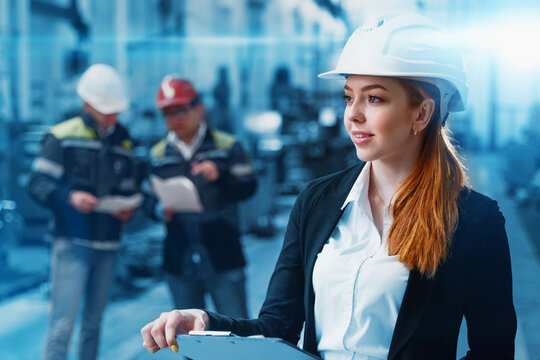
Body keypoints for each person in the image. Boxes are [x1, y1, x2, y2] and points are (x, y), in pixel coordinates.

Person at [141, 14, 516, 359]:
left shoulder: (474, 221)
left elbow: (493, 350)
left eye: (374, 98)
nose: (353, 114)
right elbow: (277, 327)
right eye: (349, 97)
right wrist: (207, 324)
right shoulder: (316, 202)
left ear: (421, 113)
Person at [29, 63, 138, 360]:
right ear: (87, 103)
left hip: (107, 242)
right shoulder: (62, 135)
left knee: (93, 324)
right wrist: (70, 196)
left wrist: (128, 208)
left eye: (115, 110)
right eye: (106, 110)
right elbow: (38, 182)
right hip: (72, 244)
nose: (111, 116)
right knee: (62, 326)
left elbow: (129, 187)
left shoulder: (123, 141)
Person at [146, 76, 257, 318]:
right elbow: (148, 199)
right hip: (179, 259)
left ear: (198, 108)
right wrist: (158, 210)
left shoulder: (227, 147)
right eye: (168, 114)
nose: (175, 120)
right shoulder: (158, 154)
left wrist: (221, 175)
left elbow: (249, 187)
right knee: (190, 340)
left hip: (223, 255)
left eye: (181, 111)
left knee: (236, 334)